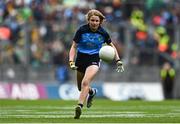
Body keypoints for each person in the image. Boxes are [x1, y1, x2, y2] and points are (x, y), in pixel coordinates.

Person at [68, 9, 124, 119]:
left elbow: (112, 46)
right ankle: (92, 92)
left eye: (97, 21)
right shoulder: (81, 30)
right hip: (80, 59)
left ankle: (79, 106)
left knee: (85, 82)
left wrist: (118, 60)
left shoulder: (103, 33)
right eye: (92, 20)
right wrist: (71, 61)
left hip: (94, 59)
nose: (94, 23)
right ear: (88, 21)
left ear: (100, 22)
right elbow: (74, 46)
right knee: (81, 87)